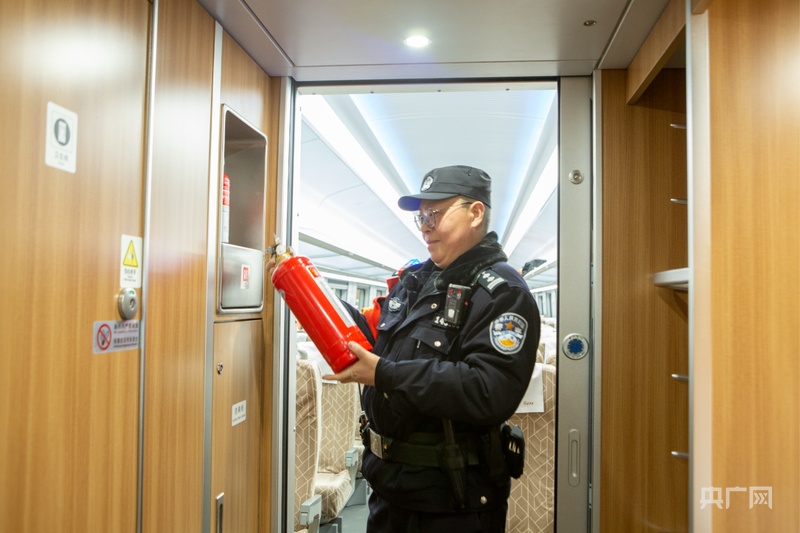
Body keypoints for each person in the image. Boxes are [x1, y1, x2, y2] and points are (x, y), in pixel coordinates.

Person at [325, 164, 541, 532]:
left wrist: (385, 374)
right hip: (389, 490)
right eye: (420, 217)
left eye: (434, 214)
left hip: (451, 505)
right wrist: (317, 296)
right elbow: (378, 345)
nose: (424, 226)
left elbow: (488, 390)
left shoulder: (502, 292)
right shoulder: (416, 281)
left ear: (475, 213)